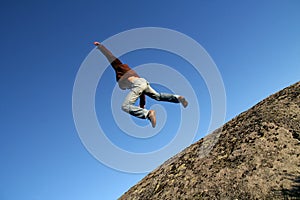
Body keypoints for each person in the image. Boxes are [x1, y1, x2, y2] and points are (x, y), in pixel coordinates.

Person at [94, 42, 188, 128]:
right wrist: (142, 106)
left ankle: (148, 114)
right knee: (158, 96)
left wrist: (101, 47)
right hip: (142, 82)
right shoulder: (132, 80)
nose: (126, 88)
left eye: (124, 87)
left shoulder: (119, 69)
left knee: (125, 106)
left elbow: (111, 58)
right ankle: (178, 98)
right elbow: (142, 93)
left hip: (138, 83)